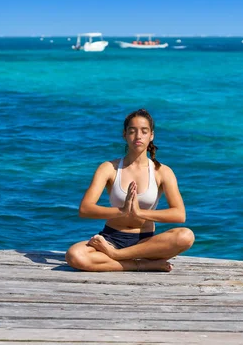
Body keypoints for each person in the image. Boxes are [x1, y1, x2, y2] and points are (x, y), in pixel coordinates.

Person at [65, 109, 195, 272]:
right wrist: (122, 211)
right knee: (74, 255)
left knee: (186, 236)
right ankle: (141, 264)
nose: (138, 136)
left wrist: (139, 213)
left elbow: (179, 214)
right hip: (111, 238)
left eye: (144, 131)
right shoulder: (109, 168)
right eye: (132, 131)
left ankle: (117, 256)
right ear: (124, 135)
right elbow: (85, 209)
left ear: (151, 136)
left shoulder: (162, 172)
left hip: (145, 243)